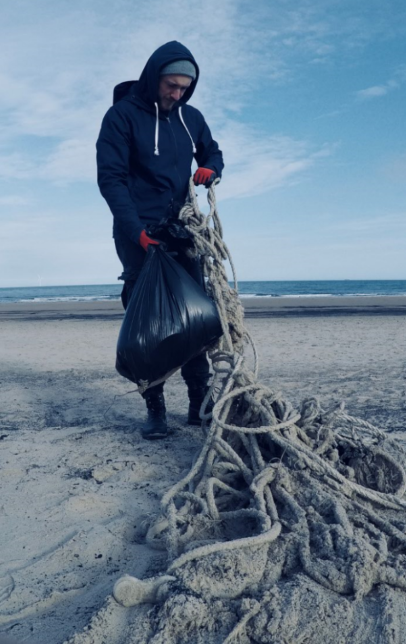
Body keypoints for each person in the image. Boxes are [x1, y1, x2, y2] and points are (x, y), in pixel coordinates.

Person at [96, 41, 224, 440]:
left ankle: (198, 403)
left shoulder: (191, 117)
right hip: (138, 232)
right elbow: (111, 179)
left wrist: (209, 168)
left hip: (182, 229)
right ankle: (155, 408)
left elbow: (214, 152)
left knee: (195, 314)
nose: (177, 94)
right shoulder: (120, 117)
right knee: (148, 322)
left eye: (184, 88)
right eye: (171, 85)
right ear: (154, 78)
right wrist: (137, 232)